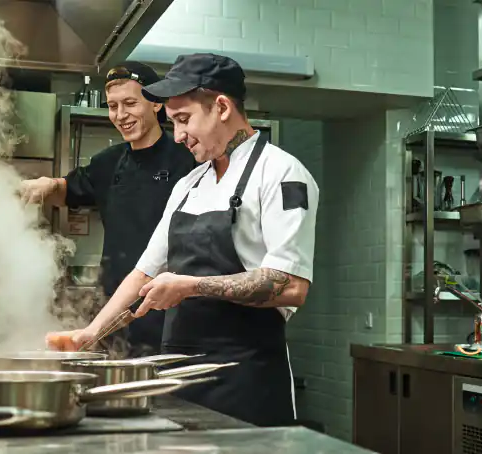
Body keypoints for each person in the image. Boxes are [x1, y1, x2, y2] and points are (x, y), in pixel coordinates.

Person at [45, 53, 319, 427]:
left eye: (184, 120)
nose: (177, 136)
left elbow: (291, 286)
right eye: (173, 122)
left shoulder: (281, 173)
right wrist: (90, 333)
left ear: (222, 107)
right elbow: (144, 272)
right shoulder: (189, 184)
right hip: (181, 375)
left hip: (246, 377)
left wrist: (190, 286)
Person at [21, 61, 195, 356]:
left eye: (130, 103)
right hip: (115, 310)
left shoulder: (187, 159)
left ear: (156, 104)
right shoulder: (108, 162)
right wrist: (49, 184)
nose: (120, 115)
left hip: (170, 310)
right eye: (113, 106)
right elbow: (69, 190)